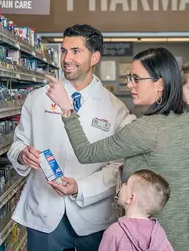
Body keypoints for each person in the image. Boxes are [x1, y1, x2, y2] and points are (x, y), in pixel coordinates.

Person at [46, 47, 189, 251]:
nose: (129, 84)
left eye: (136, 78)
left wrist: (66, 108)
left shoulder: (145, 129)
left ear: (159, 84)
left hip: (164, 239)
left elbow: (85, 153)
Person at [7, 24, 135, 251]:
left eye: (76, 51)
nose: (67, 58)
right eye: (64, 51)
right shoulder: (37, 99)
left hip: (93, 216)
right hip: (44, 212)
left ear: (94, 57)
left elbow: (117, 167)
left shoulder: (115, 109)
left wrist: (80, 188)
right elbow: (18, 143)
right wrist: (22, 155)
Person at [98, 169, 174, 251]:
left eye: (126, 184)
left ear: (131, 198)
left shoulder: (114, 232)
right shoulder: (159, 234)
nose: (123, 184)